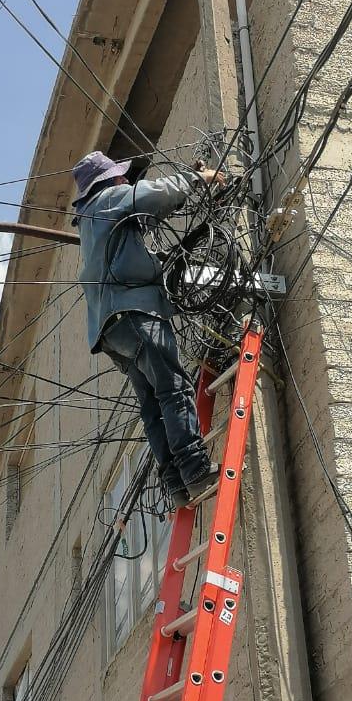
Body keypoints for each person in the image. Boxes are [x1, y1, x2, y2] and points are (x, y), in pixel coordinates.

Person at [71, 150, 224, 509]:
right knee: (173, 389)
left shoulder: (91, 222)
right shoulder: (109, 199)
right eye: (121, 176)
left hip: (111, 332)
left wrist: (187, 180)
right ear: (108, 182)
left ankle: (175, 483)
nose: (126, 180)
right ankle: (195, 469)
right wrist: (198, 179)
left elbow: (146, 215)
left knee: (153, 403)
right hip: (137, 313)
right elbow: (152, 194)